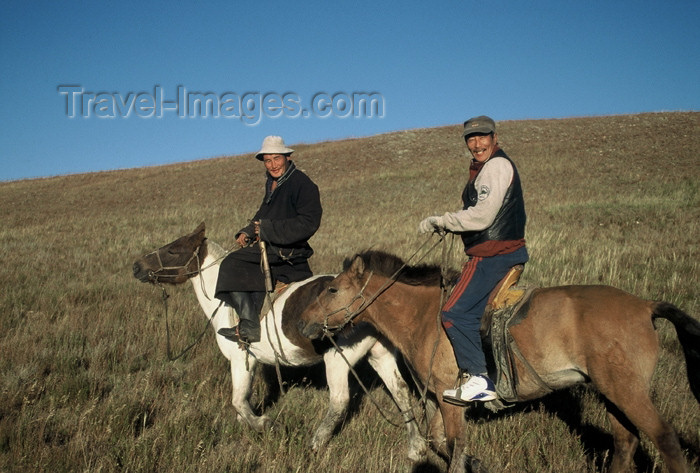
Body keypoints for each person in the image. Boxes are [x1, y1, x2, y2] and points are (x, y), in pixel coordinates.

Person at [419, 115, 528, 404]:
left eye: (482, 136)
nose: (477, 143)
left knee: (454, 313)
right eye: (471, 138)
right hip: (502, 250)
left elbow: (482, 215)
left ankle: (478, 377)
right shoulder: (488, 166)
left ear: (495, 137)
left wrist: (443, 220)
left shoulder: (495, 167)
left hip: (493, 254)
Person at [216, 135, 322, 344]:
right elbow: (263, 214)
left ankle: (248, 325)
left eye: (277, 159)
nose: (273, 165)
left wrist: (268, 230)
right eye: (268, 160)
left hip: (287, 249)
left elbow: (309, 223)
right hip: (272, 244)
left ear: (288, 157)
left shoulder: (302, 184)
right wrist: (248, 231)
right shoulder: (273, 183)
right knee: (246, 266)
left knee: (231, 263)